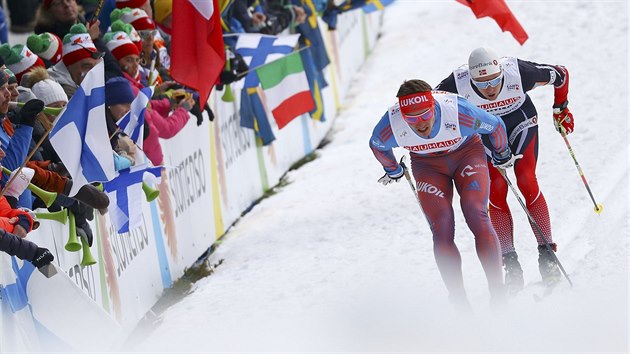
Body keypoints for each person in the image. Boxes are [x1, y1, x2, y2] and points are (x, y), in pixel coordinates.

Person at [370, 79, 517, 310]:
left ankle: (498, 293)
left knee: (475, 213)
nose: (419, 124)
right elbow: (377, 144)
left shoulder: (457, 112)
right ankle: (459, 300)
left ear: (434, 107)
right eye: (411, 119)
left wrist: (502, 153)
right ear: (402, 115)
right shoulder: (392, 122)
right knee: (442, 227)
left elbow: (496, 125)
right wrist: (393, 170)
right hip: (427, 166)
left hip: (466, 154)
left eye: (425, 115)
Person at [435, 48, 572, 292]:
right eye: (481, 84)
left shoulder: (520, 73)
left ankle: (548, 257)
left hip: (521, 122)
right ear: (471, 79)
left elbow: (560, 74)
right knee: (496, 192)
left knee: (527, 181)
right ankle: (511, 264)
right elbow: (432, 104)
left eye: (495, 81)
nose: (489, 89)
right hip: (485, 130)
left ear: (501, 73)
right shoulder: (457, 82)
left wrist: (561, 108)